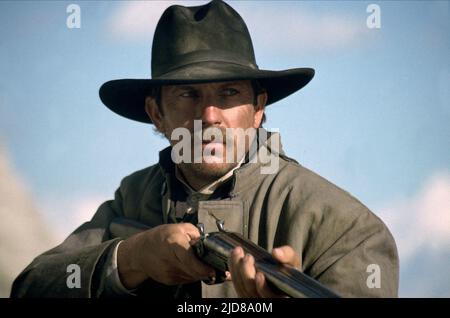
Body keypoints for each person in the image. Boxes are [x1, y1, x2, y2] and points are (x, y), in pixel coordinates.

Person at [11, 0, 398, 298]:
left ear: (258, 108)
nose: (209, 115)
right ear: (155, 113)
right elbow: (30, 287)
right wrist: (133, 258)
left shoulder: (348, 229)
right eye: (187, 94)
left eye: (228, 92)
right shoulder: (132, 200)